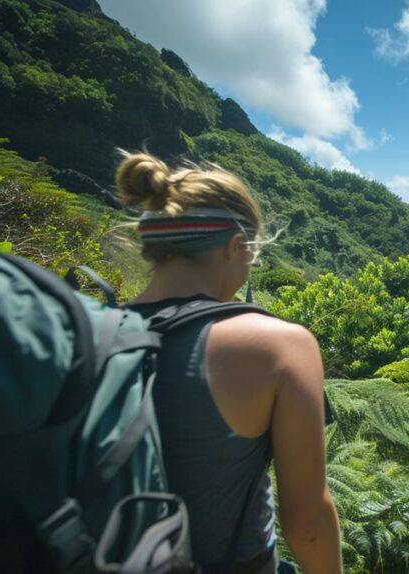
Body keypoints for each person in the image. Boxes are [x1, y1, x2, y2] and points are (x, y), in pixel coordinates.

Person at [116, 152, 342, 574]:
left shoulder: (93, 333)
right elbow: (307, 523)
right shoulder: (278, 346)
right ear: (236, 246)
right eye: (252, 254)